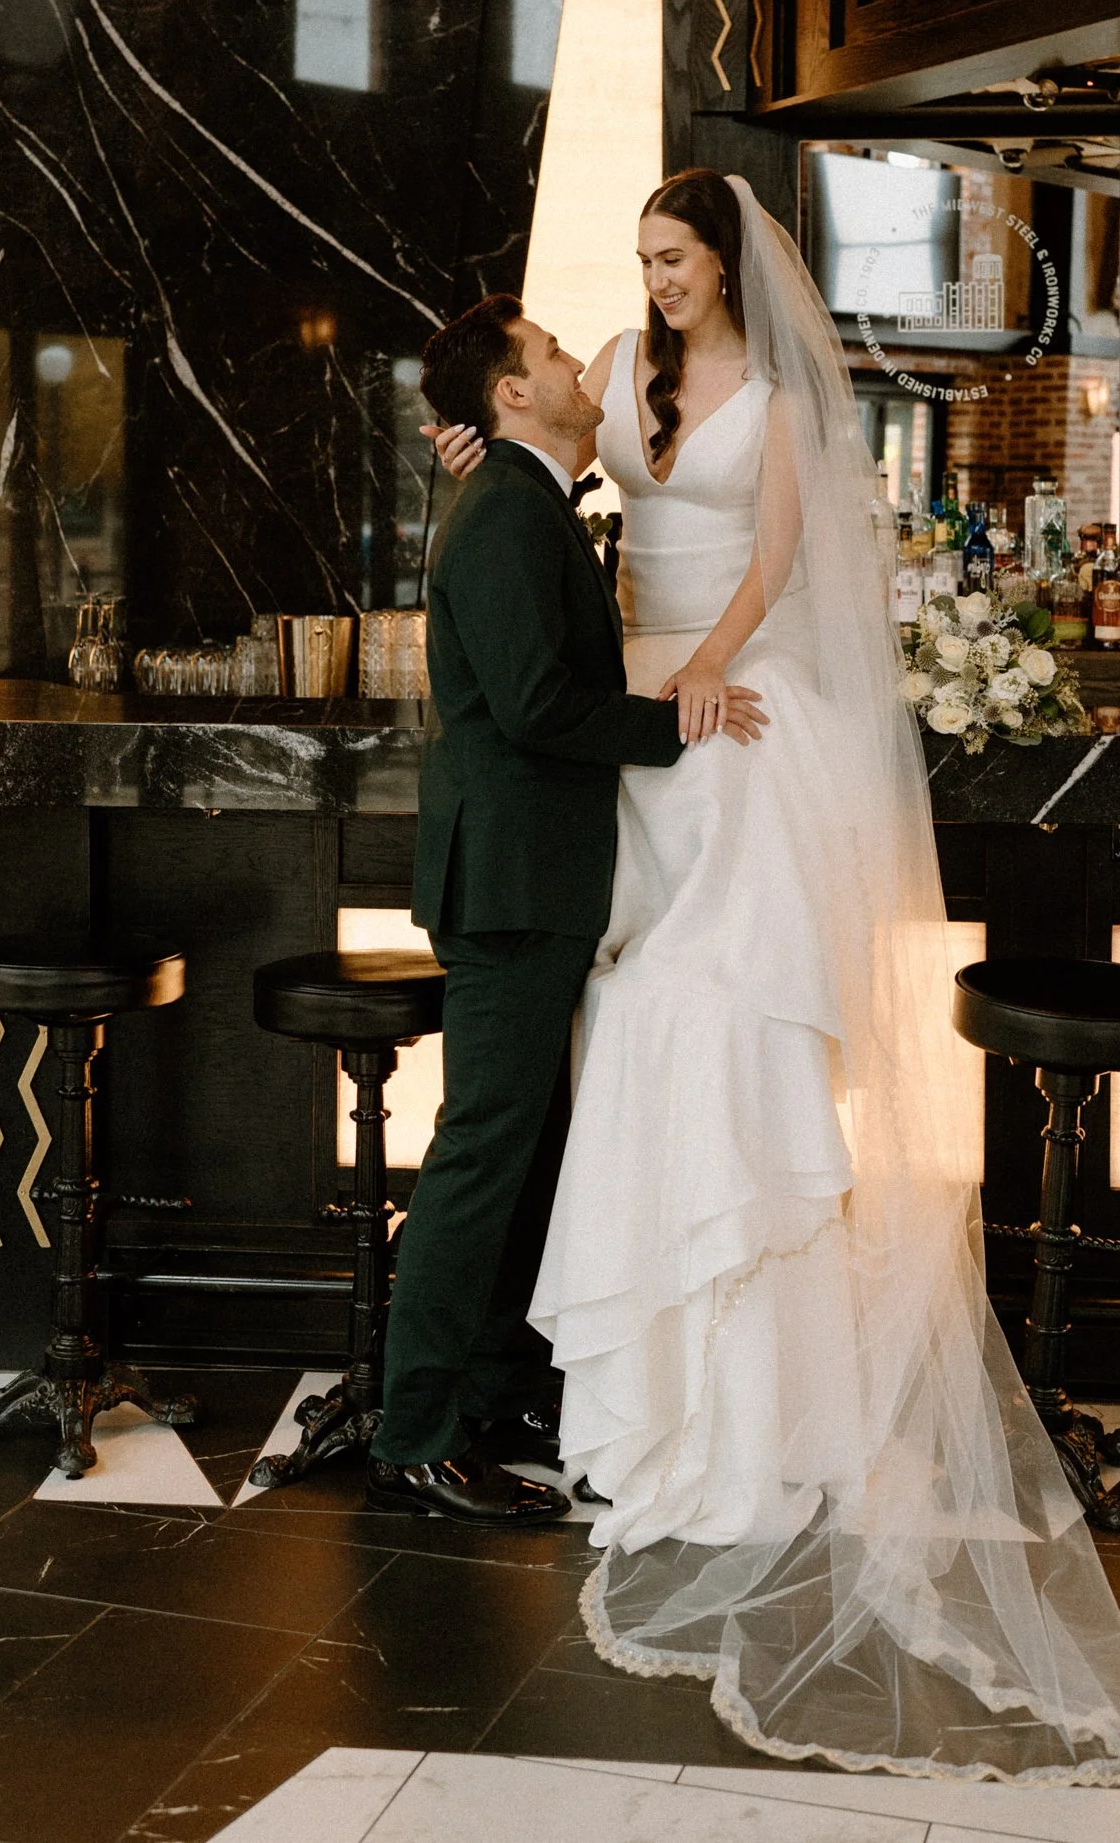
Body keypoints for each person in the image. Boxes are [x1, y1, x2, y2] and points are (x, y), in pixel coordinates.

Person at [423, 173, 1120, 1782]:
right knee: (612, 1026)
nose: (652, 285)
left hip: (721, 697)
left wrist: (699, 681)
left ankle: (738, 1382)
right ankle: (620, 1378)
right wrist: (476, 459)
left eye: (673, 260)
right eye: (639, 262)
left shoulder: (781, 398)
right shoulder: (608, 368)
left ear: (730, 262)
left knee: (719, 1020)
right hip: (619, 718)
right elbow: (546, 470)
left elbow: (770, 563)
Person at [366, 295, 767, 1526]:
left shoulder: (524, 498)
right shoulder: (502, 514)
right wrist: (680, 721)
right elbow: (536, 706)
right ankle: (415, 1434)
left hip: (532, 876)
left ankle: (490, 1390)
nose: (572, 361)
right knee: (480, 1154)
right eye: (546, 353)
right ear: (511, 393)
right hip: (508, 883)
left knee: (526, 1148)